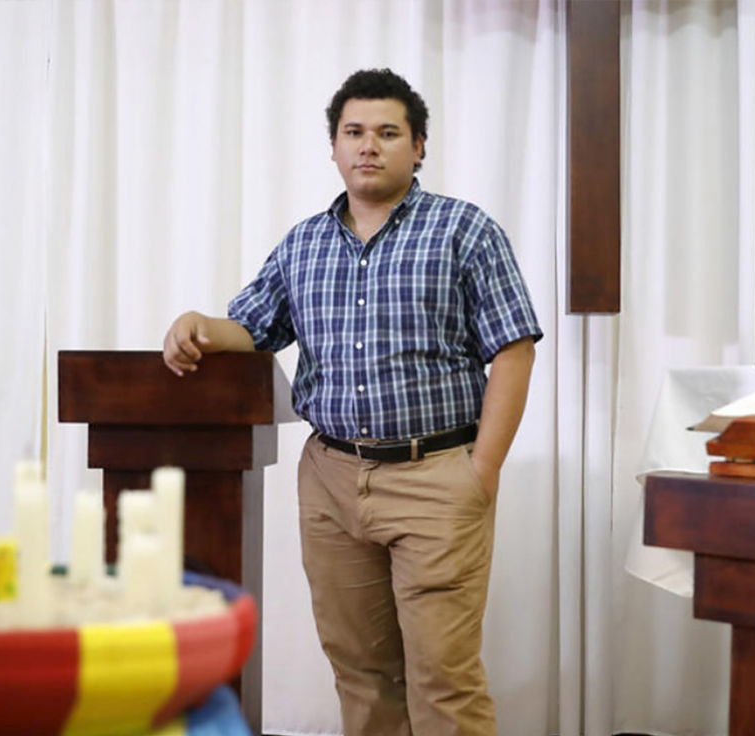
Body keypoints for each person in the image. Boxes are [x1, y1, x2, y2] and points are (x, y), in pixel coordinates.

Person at [163, 68, 542, 736]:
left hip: (436, 478)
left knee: (443, 680)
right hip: (333, 485)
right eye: (354, 132)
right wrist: (197, 322)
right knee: (361, 675)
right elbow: (252, 328)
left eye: (388, 132)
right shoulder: (303, 244)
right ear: (334, 147)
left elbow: (513, 350)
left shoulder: (465, 231)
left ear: (418, 145)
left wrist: (479, 473)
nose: (369, 146)